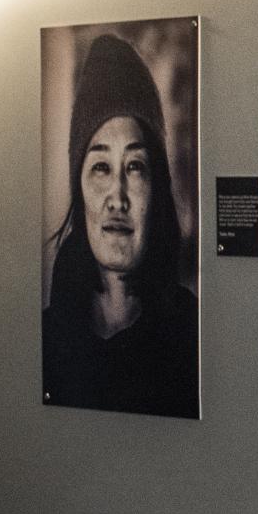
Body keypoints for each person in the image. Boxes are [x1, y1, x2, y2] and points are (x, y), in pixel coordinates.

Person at [43, 34, 199, 419]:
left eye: (135, 167)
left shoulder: (193, 336)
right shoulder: (45, 338)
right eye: (100, 167)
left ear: (157, 187)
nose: (118, 196)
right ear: (79, 187)